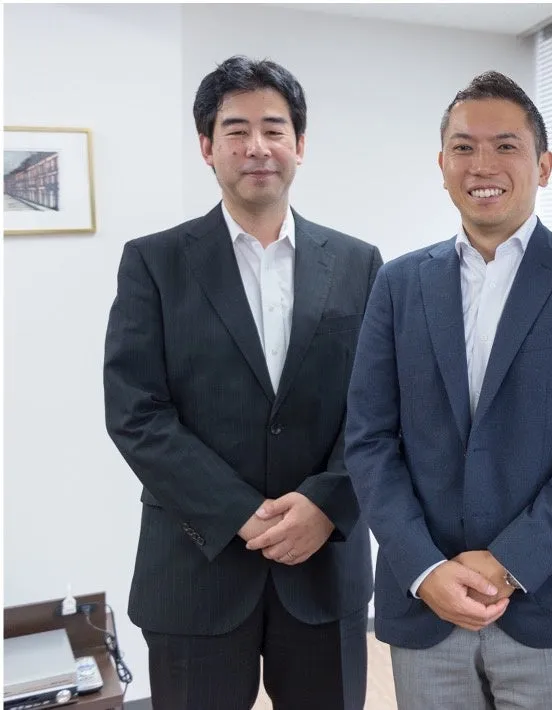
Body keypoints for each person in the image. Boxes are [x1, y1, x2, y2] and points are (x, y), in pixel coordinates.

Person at [344, 71, 552, 709]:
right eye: (464, 147)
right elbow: (369, 441)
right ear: (442, 165)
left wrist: (509, 562)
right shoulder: (398, 285)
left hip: (550, 603)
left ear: (544, 165)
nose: (483, 165)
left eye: (506, 146)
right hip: (426, 606)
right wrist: (424, 568)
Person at [103, 55, 381, 710]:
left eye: (274, 129)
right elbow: (136, 411)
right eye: (236, 130)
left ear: (299, 144)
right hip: (194, 570)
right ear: (207, 147)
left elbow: (379, 406)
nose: (257, 146)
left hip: (323, 567)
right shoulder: (154, 262)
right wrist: (237, 513)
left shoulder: (358, 263)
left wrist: (326, 503)